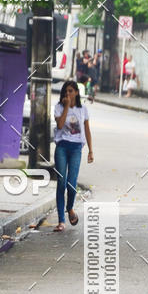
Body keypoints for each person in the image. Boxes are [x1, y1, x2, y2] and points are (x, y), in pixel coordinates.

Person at [53, 80, 94, 232]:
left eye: (70, 91)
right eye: (65, 92)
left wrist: (90, 150)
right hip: (62, 147)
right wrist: (65, 107)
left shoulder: (83, 109)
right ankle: (61, 221)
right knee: (61, 182)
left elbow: (87, 130)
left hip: (76, 148)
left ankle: (69, 208)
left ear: (76, 92)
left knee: (71, 184)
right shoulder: (58, 107)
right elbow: (59, 125)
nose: (68, 94)